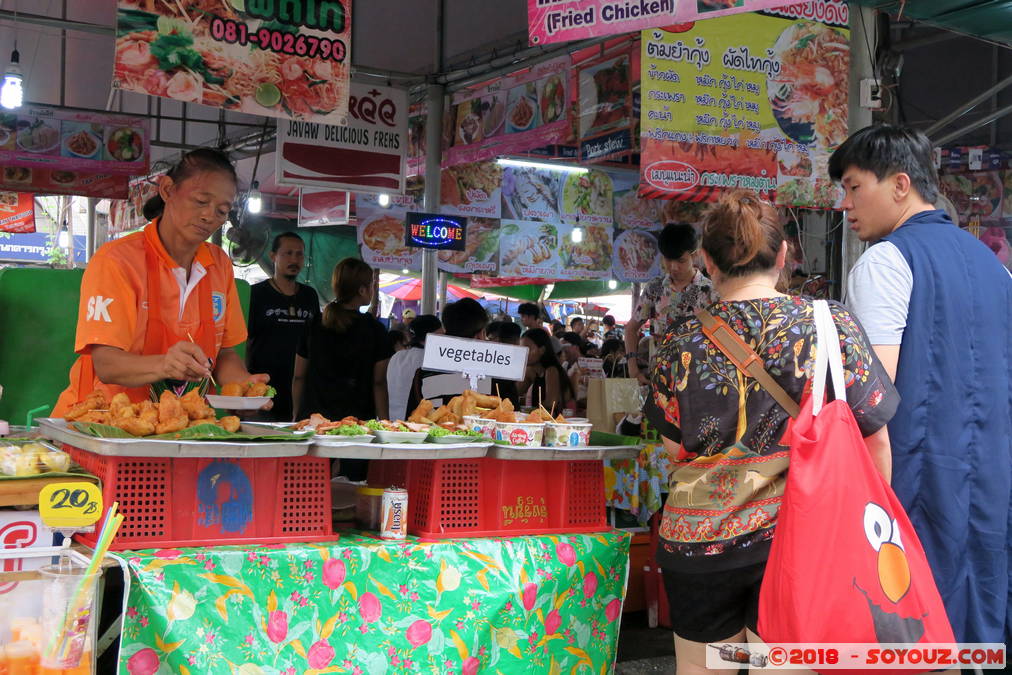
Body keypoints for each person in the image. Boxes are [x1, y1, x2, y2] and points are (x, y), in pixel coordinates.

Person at [645, 190, 898, 674]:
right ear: (783, 256)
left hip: (697, 542)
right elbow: (876, 438)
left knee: (703, 670)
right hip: (797, 543)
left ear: (706, 261)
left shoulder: (680, 340)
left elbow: (675, 447)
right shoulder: (831, 324)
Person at [830, 124, 1012, 644]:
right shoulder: (996, 267)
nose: (846, 204)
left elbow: (872, 397)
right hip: (993, 480)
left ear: (901, 184)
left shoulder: (885, 263)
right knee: (983, 617)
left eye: (854, 187)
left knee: (916, 624)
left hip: (916, 481)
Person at [53, 148, 265, 415]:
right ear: (167, 190)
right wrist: (166, 364)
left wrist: (244, 386)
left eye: (222, 211)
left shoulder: (219, 264)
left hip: (176, 427)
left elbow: (224, 354)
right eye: (201, 201)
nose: (209, 216)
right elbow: (106, 364)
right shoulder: (118, 260)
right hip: (103, 424)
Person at [292, 258, 393, 424]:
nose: (373, 289)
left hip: (314, 421)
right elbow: (379, 382)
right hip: (357, 423)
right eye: (371, 284)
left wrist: (296, 415)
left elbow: (299, 376)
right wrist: (384, 423)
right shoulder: (375, 329)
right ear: (362, 290)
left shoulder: (314, 324)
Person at [625, 223, 718, 385]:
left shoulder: (710, 292)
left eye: (681, 260)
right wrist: (633, 368)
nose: (674, 267)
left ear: (694, 255)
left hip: (699, 381)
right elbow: (631, 328)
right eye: (668, 260)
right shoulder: (655, 288)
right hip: (659, 379)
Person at [246, 232, 319, 422]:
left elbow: (315, 342)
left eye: (299, 254)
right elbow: (243, 341)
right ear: (273, 256)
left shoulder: (309, 296)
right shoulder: (256, 294)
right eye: (288, 253)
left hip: (299, 392)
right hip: (263, 391)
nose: (294, 259)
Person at [407, 298, 496, 411]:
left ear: (446, 331)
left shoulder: (423, 374)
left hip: (432, 428)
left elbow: (411, 419)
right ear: (480, 335)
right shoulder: (498, 376)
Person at [386, 314, 442, 421]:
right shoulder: (431, 360)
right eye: (443, 334)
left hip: (393, 420)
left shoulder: (397, 357)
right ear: (435, 334)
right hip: (416, 423)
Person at [520, 328, 575, 414]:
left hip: (557, 421)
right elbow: (516, 391)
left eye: (528, 349)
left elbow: (551, 403)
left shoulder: (551, 370)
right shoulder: (531, 371)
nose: (524, 353)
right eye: (522, 349)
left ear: (542, 350)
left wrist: (531, 410)